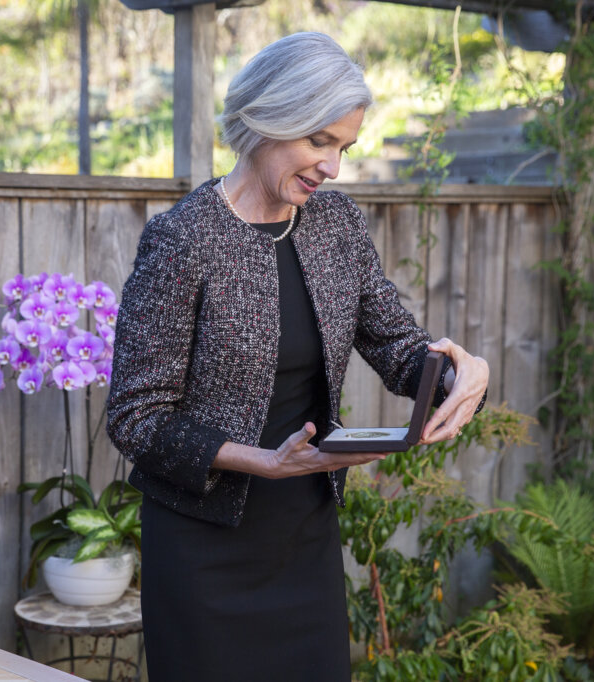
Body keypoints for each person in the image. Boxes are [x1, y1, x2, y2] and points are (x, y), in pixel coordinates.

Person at [106, 32, 490, 682]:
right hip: (204, 553)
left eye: (345, 148)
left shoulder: (337, 227)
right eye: (320, 141)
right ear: (267, 119)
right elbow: (136, 418)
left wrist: (459, 372)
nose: (333, 167)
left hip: (303, 538)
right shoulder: (183, 238)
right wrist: (261, 461)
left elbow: (399, 349)